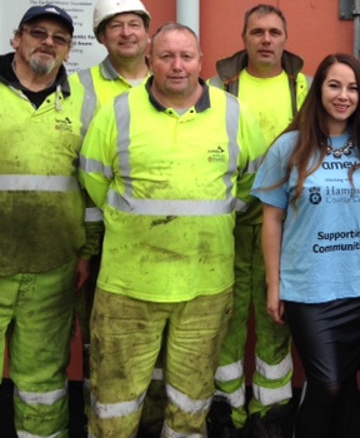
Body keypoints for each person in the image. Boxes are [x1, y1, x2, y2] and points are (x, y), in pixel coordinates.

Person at [78, 22, 268, 437]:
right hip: (128, 286)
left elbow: (252, 185)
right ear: (150, 61)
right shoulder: (118, 113)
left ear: (201, 61)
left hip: (205, 287)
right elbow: (95, 182)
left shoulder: (234, 114)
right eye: (166, 57)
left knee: (191, 401)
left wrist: (211, 217)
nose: (177, 66)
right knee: (115, 402)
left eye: (186, 56)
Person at [252, 53, 360, 438]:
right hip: (308, 288)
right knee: (327, 381)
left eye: (352, 88)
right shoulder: (290, 147)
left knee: (346, 379)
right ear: (319, 91)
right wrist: (274, 284)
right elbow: (272, 219)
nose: (343, 95)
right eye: (334, 85)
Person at [208, 4, 310, 438]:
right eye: (257, 32)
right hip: (229, 225)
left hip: (284, 225)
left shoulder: (302, 86)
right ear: (244, 37)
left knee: (275, 317)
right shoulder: (218, 87)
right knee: (226, 319)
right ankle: (226, 413)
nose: (266, 40)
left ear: (286, 38)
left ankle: (272, 413)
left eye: (274, 32)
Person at [0, 4, 96, 437]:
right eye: (38, 32)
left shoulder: (79, 102)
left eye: (59, 38)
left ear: (69, 50)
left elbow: (90, 184)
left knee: (42, 384)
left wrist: (87, 252)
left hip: (52, 269)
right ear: (16, 39)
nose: (48, 43)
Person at [71, 0, 160, 433]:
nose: (126, 33)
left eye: (134, 24)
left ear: (148, 33)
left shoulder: (172, 77)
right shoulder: (82, 87)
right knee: (106, 344)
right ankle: (103, 421)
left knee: (163, 342)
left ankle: (154, 420)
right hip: (107, 238)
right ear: (101, 37)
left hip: (168, 241)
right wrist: (89, 245)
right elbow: (85, 177)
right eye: (115, 26)